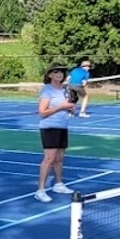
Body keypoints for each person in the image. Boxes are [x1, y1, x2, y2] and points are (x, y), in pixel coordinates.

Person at [35, 65, 77, 202]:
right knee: (49, 159)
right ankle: (40, 190)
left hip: (62, 126)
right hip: (49, 127)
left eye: (61, 72)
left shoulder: (64, 90)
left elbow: (66, 107)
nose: (59, 74)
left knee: (59, 158)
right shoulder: (47, 90)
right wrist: (61, 107)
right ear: (50, 75)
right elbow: (42, 112)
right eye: (56, 72)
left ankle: (58, 184)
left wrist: (70, 109)